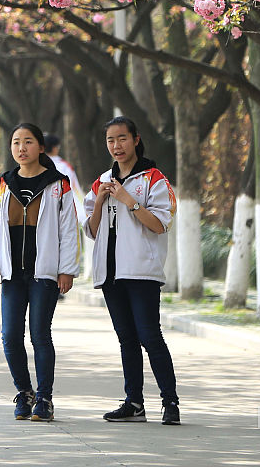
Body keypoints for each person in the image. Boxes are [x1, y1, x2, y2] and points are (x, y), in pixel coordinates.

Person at [85, 116, 181, 426]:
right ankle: (134, 403)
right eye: (111, 140)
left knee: (150, 336)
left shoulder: (154, 179)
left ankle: (170, 402)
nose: (117, 145)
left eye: (122, 138)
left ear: (136, 139)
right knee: (126, 338)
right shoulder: (102, 180)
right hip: (111, 273)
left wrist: (129, 201)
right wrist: (100, 201)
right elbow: (91, 230)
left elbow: (160, 224)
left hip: (141, 271)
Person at [0, 123, 80, 422]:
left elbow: (68, 229)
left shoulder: (58, 184)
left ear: (40, 147)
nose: (21, 148)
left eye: (27, 142)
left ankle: (45, 398)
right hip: (12, 273)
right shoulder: (3, 184)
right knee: (10, 336)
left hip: (44, 273)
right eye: (16, 143)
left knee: (40, 335)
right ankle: (24, 393)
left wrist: (66, 270)